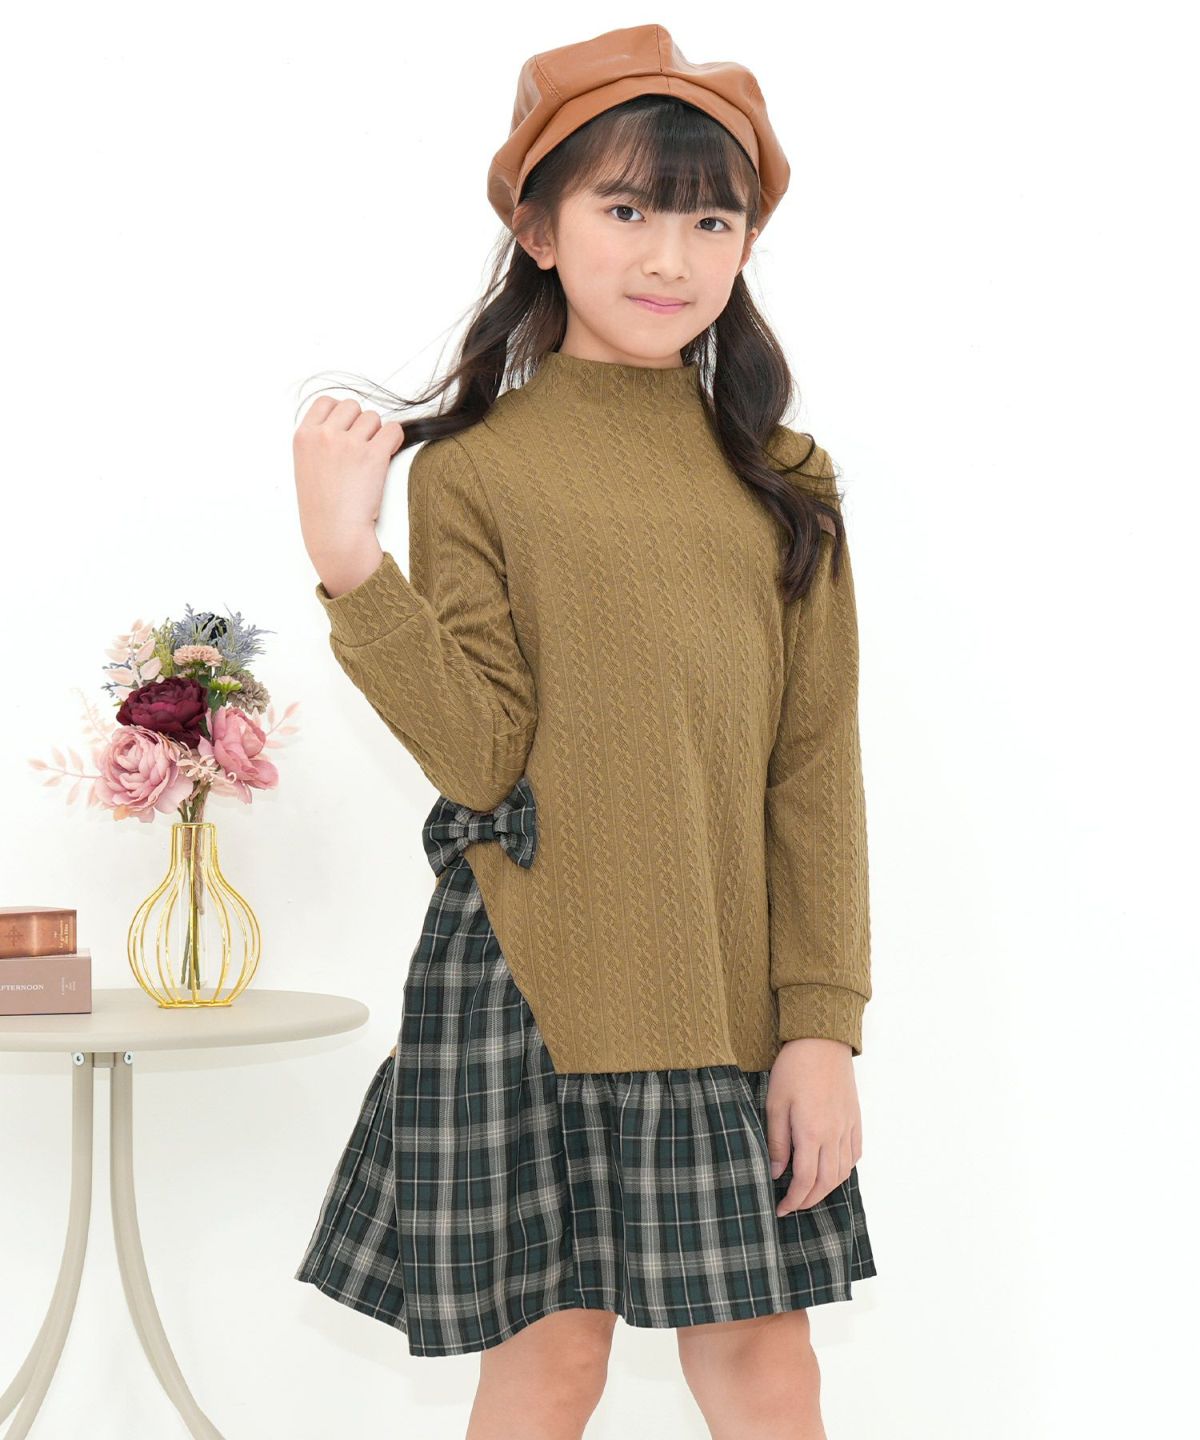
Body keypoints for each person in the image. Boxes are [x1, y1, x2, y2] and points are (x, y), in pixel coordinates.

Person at [291, 22, 877, 1440]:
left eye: (710, 220)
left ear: (746, 245)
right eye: (626, 211)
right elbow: (480, 755)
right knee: (550, 1365)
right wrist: (352, 565)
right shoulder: (477, 473)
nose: (669, 256)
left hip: (722, 988)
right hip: (532, 973)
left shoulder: (785, 480)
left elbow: (815, 773)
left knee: (765, 1360)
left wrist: (821, 1029)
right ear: (539, 231)